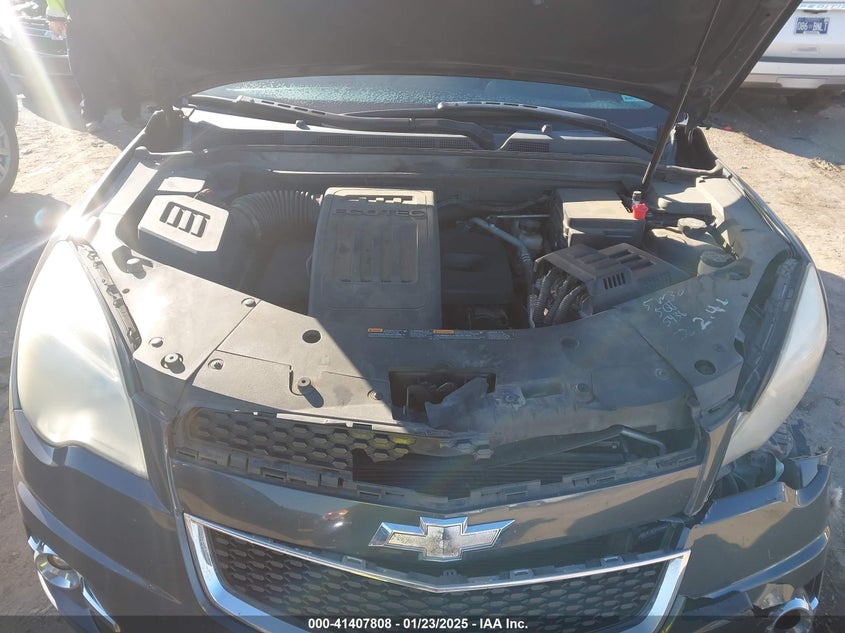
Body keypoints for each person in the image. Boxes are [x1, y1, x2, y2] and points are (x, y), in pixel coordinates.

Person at [47, 0, 142, 132]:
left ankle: (133, 113)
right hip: (82, 20)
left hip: (120, 16)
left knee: (127, 67)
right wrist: (56, 17)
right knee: (87, 70)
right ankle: (93, 116)